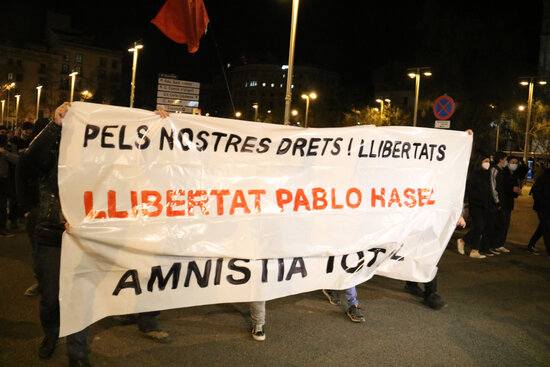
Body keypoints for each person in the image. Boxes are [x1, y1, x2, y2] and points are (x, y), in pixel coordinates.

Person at [407, 216, 467, 310]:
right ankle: (412, 283)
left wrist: (457, 213)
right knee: (410, 253)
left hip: (429, 221)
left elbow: (449, 201)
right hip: (411, 218)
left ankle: (430, 293)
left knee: (427, 256)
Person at [457, 154, 492, 259]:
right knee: (479, 226)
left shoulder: (487, 174)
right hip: (475, 205)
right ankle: (467, 244)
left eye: (489, 161)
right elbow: (470, 191)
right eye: (486, 161)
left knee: (479, 227)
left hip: (485, 206)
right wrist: (478, 199)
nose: (488, 163)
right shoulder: (475, 175)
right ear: (480, 162)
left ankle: (471, 248)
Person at [483, 151, 509, 255]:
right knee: (491, 226)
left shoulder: (501, 170)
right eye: (505, 159)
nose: (506, 161)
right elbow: (493, 187)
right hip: (494, 203)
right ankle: (485, 247)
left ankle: (492, 246)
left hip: (500, 203)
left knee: (499, 225)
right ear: (501, 159)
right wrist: (497, 201)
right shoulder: (494, 170)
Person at [0, 125, 18, 237]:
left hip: (5, 178)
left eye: (4, 133)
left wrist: (4, 152)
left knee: (2, 204)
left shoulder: (10, 146)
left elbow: (16, 160)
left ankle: (2, 227)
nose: (3, 134)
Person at [530, 163, 550, 257]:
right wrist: (542, 204)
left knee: (542, 228)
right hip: (543, 208)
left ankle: (531, 245)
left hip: (546, 208)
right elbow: (536, 192)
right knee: (546, 228)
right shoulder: (544, 177)